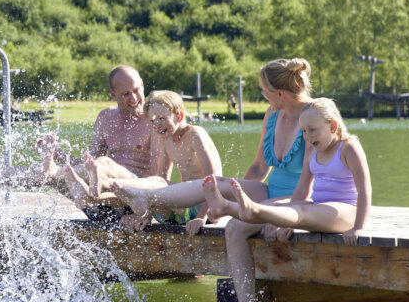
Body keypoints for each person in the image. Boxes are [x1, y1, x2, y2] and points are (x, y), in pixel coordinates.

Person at [203, 97, 372, 302]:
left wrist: (359, 227)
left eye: (313, 130)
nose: (308, 137)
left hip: (345, 211)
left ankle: (236, 207)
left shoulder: (349, 147)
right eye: (303, 131)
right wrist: (283, 220)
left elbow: (365, 190)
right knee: (248, 223)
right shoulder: (312, 150)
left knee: (299, 213)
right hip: (316, 208)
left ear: (333, 126)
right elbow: (302, 189)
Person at [105, 58, 313, 236]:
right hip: (269, 192)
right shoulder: (272, 114)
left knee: (235, 225)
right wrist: (238, 194)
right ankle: (143, 196)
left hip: (299, 199)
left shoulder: (312, 117)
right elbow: (259, 168)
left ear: (280, 93)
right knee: (222, 184)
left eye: (264, 91)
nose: (262, 94)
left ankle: (139, 193)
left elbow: (313, 180)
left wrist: (285, 217)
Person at [0, 64, 163, 204]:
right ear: (113, 95)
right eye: (126, 94)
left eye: (136, 90)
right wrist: (58, 154)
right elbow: (87, 164)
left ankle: (49, 170)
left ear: (143, 85)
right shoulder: (106, 118)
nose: (134, 98)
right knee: (65, 171)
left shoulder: (155, 119)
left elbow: (159, 180)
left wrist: (142, 213)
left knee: (102, 163)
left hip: (135, 195)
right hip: (99, 191)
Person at [75, 90, 223, 234]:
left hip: (205, 208)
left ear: (180, 115)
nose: (157, 125)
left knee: (158, 183)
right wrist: (146, 215)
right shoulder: (166, 139)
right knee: (155, 186)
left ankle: (105, 181)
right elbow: (160, 181)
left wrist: (201, 217)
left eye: (161, 118)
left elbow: (215, 180)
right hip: (181, 211)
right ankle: (94, 196)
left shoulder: (195, 134)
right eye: (152, 121)